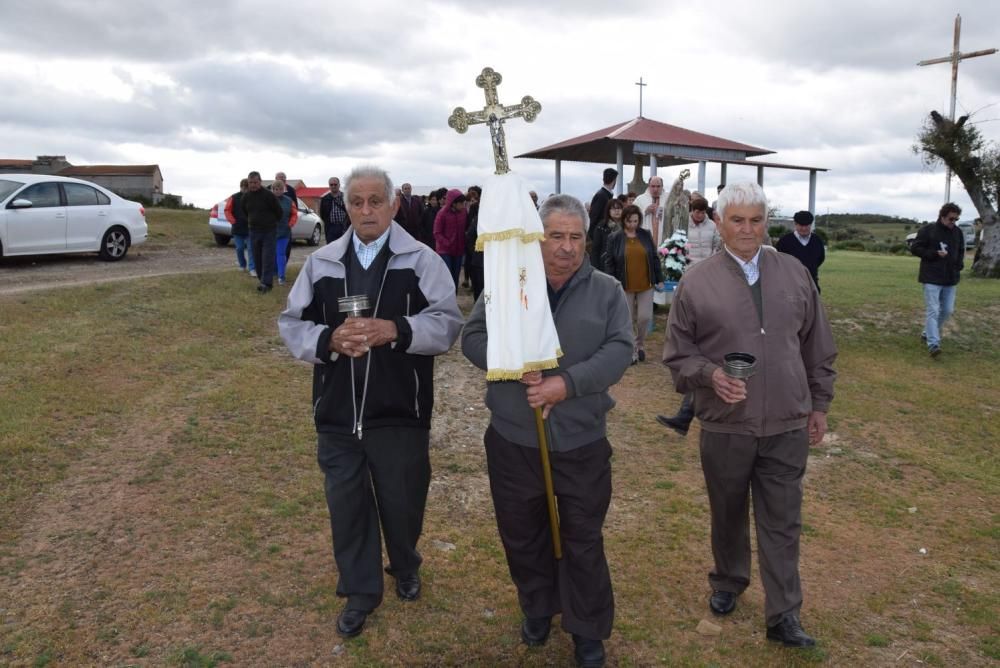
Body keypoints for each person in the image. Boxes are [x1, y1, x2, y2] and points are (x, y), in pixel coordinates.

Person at [278, 164, 463, 639]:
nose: (365, 211)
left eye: (375, 201)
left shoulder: (422, 261)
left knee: (402, 504)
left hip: (399, 412)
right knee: (347, 506)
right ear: (347, 207)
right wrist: (328, 341)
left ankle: (404, 563)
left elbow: (447, 323)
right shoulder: (322, 263)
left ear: (393, 204)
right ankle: (360, 591)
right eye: (357, 202)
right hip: (337, 413)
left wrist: (396, 330)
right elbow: (291, 324)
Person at [662, 181, 837, 649]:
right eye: (736, 219)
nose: (747, 229)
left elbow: (817, 346)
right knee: (728, 510)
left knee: (783, 520)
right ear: (719, 223)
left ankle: (784, 614)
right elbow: (678, 356)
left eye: (756, 219)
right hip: (725, 423)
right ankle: (727, 580)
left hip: (787, 421)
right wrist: (709, 375)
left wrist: (819, 403)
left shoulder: (796, 273)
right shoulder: (697, 281)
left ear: (767, 222)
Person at [462, 194, 632, 668]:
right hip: (515, 438)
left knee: (583, 535)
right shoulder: (504, 283)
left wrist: (567, 384)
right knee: (524, 533)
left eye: (575, 237)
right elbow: (472, 338)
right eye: (556, 236)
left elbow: (621, 349)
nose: (566, 247)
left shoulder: (607, 291)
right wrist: (513, 362)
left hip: (581, 440)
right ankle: (537, 607)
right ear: (538, 239)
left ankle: (587, 628)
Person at [656, 194, 721, 435]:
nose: (699, 215)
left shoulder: (714, 228)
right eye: (696, 211)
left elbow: (717, 249)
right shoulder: (683, 228)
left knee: (704, 349)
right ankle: (685, 415)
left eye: (703, 211)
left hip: (709, 281)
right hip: (690, 279)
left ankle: (686, 416)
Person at [603, 204, 663, 364]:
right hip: (624, 285)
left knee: (644, 317)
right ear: (624, 220)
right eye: (629, 221)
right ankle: (631, 350)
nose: (632, 224)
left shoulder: (645, 235)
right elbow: (609, 262)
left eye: (636, 221)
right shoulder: (615, 238)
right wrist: (611, 281)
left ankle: (639, 344)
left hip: (646, 283)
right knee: (627, 320)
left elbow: (654, 257)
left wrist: (660, 278)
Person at [910, 202, 965, 357]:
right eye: (951, 219)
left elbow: (961, 251)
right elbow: (915, 248)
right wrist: (934, 254)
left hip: (950, 278)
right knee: (933, 310)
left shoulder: (958, 232)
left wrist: (959, 265)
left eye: (956, 219)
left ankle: (927, 333)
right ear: (942, 216)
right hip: (931, 277)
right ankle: (934, 344)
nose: (953, 222)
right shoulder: (928, 230)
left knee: (947, 310)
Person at [241, 171, 282, 293]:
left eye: (255, 182)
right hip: (254, 231)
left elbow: (279, 212)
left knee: (267, 257)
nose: (253, 185)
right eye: (250, 183)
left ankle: (266, 284)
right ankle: (262, 280)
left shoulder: (268, 195)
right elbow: (245, 212)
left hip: (269, 231)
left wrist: (271, 222)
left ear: (260, 182)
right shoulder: (245, 197)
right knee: (257, 257)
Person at [775, 210, 826, 292]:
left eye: (807, 225)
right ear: (795, 224)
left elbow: (820, 259)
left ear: (811, 224)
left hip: (812, 285)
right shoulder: (784, 241)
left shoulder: (817, 240)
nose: (804, 228)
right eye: (801, 225)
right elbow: (778, 262)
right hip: (790, 286)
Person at [433, 189, 468, 289]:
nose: (463, 205)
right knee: (447, 277)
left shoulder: (463, 212)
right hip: (445, 251)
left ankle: (453, 301)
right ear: (453, 203)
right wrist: (447, 243)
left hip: (459, 249)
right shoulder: (442, 213)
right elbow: (437, 233)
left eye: (463, 203)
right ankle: (446, 302)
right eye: (461, 203)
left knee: (455, 276)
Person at [224, 178, 256, 276]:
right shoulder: (234, 197)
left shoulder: (253, 197)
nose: (245, 190)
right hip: (237, 229)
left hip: (250, 228)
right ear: (241, 187)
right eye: (244, 187)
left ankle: (252, 268)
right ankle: (242, 265)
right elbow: (227, 210)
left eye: (247, 188)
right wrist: (233, 221)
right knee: (239, 248)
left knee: (251, 249)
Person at [270, 180, 298, 285]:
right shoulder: (268, 200)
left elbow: (294, 214)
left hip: (284, 232)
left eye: (280, 189)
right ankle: (273, 272)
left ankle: (281, 276)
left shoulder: (289, 201)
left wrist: (290, 224)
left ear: (283, 190)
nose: (278, 191)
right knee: (272, 254)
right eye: (275, 189)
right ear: (272, 190)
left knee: (281, 254)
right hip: (270, 232)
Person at [589, 199, 623, 271]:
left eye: (619, 208)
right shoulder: (601, 226)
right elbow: (596, 249)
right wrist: (595, 268)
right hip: (605, 264)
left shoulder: (626, 226)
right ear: (608, 211)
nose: (617, 211)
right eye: (613, 208)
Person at [464, 185, 484, 301]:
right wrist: (475, 252)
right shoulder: (479, 218)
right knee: (480, 291)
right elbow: (470, 236)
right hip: (479, 259)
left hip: (486, 260)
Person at [631, 176, 665, 245]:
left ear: (662, 186)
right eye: (653, 186)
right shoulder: (639, 200)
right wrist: (645, 211)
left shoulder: (668, 199)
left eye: (658, 186)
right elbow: (631, 217)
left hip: (663, 239)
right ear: (648, 186)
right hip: (644, 238)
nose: (655, 189)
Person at [588, 168, 618, 241]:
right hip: (600, 238)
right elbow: (593, 219)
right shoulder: (602, 196)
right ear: (614, 180)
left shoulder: (604, 194)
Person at [321, 177, 348, 244]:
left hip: (344, 227)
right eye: (331, 184)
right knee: (331, 248)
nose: (333, 186)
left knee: (344, 247)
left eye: (335, 184)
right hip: (331, 228)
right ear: (329, 186)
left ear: (339, 185)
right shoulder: (325, 199)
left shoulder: (346, 197)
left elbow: (350, 212)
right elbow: (322, 214)